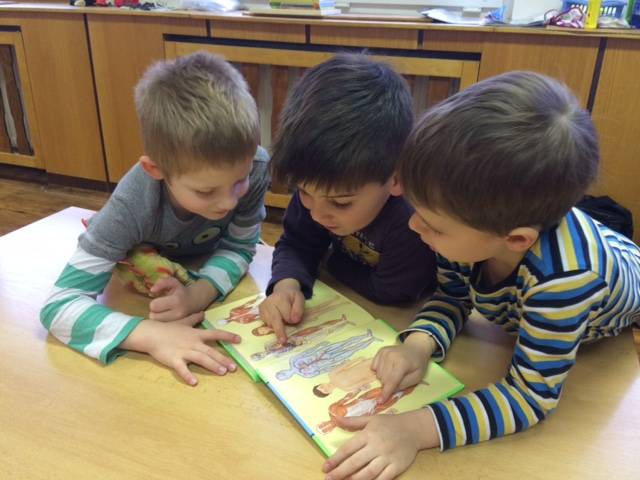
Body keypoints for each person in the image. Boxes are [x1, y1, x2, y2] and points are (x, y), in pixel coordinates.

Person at [323, 71, 640, 480]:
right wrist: (418, 344)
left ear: (515, 239)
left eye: (433, 225)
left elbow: (529, 398)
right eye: (418, 212)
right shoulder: (467, 233)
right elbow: (454, 296)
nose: (414, 227)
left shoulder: (565, 280)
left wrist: (414, 428)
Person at [40, 52, 270, 386]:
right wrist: (151, 336)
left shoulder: (256, 166)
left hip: (192, 274)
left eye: (240, 181)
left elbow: (240, 246)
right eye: (206, 191)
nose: (229, 202)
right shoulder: (130, 205)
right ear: (155, 170)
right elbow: (59, 306)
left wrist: (198, 294)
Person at [259, 53, 437, 344]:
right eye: (303, 191)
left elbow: (393, 292)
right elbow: (296, 243)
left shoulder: (412, 221)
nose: (317, 214)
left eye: (341, 203)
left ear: (395, 179)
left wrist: (327, 259)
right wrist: (287, 284)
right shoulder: (321, 187)